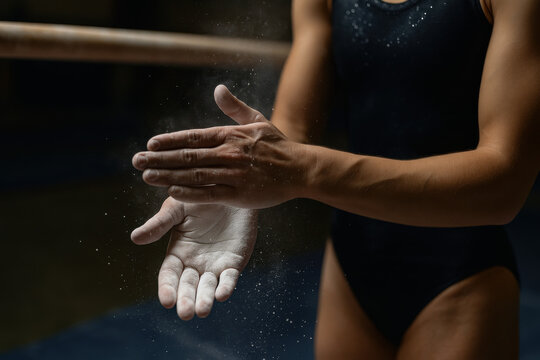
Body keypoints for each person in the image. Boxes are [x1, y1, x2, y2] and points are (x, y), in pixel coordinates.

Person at [131, 0, 540, 358]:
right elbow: (291, 131)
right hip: (353, 266)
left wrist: (303, 170)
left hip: (461, 271)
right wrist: (230, 185)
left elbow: (504, 180)